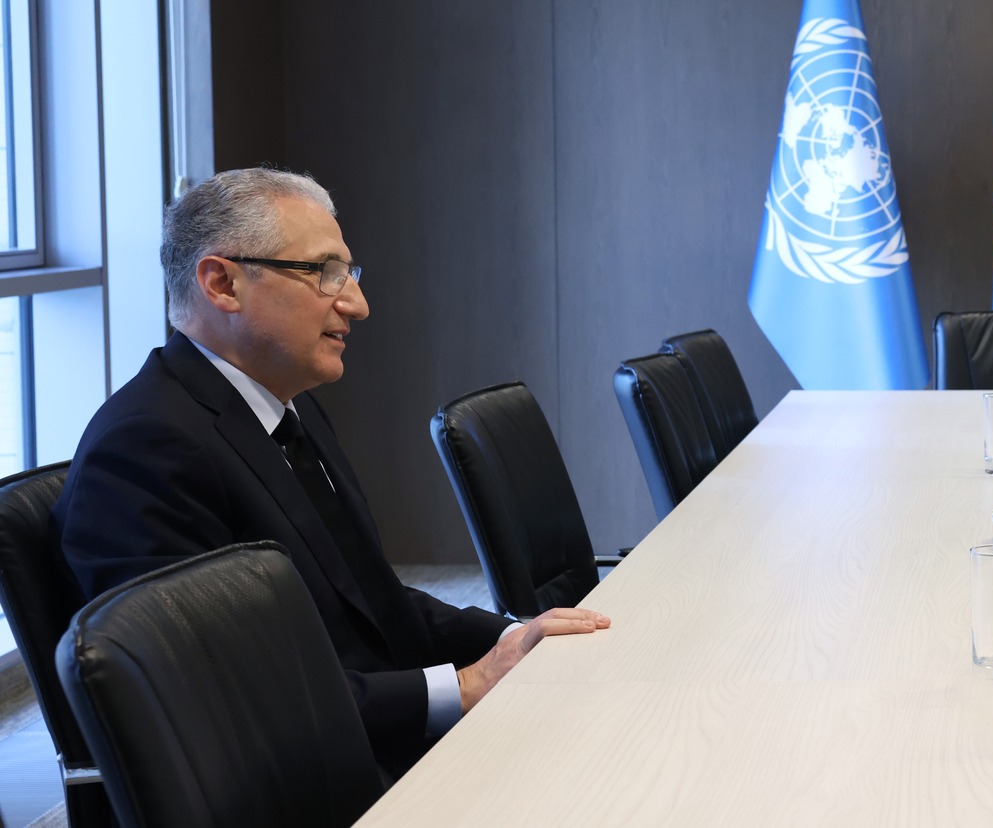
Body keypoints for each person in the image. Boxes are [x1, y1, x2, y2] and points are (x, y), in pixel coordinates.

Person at [53, 167, 611, 776]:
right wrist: (466, 686)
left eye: (348, 273)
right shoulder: (145, 449)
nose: (357, 304)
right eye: (323, 272)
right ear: (222, 283)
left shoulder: (290, 407)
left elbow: (372, 600)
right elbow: (217, 700)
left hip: (375, 737)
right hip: (318, 784)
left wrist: (513, 637)